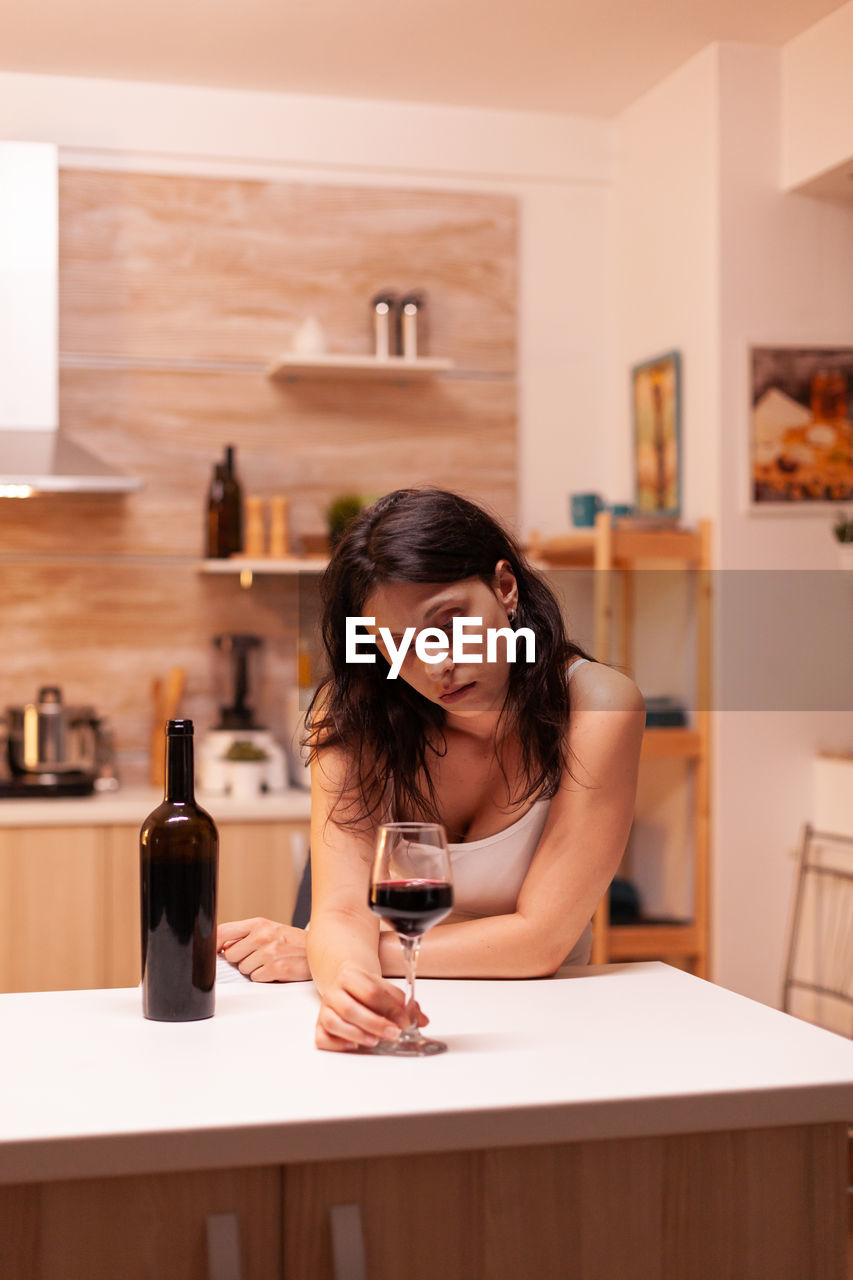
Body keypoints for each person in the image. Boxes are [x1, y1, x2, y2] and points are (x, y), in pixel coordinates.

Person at [217, 488, 645, 1052]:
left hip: (540, 1028)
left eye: (447, 623)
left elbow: (541, 941)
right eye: (397, 644)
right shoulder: (352, 715)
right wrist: (351, 988)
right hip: (397, 1016)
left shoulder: (598, 707)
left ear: (505, 587)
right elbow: (342, 910)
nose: (437, 664)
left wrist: (326, 951)